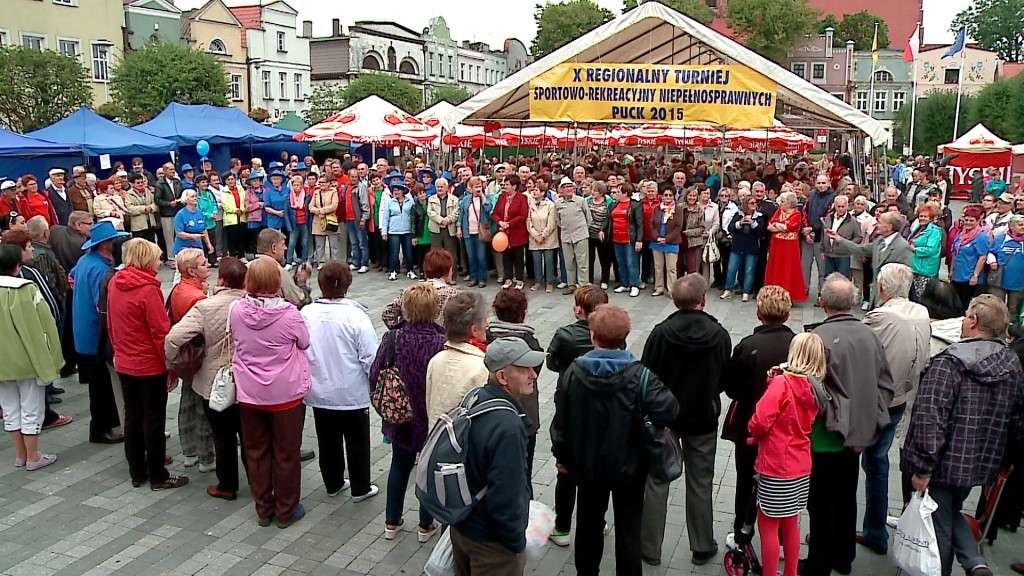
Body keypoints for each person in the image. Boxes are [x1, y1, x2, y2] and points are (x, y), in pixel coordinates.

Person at [551, 304, 679, 575]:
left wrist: (562, 457)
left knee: (588, 525)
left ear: (593, 335)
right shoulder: (641, 376)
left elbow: (560, 421)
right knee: (629, 529)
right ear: (625, 337)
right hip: (630, 466)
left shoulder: (573, 372)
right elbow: (670, 410)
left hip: (587, 466)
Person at [902, 294, 1024, 576]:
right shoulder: (1012, 364)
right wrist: (1004, 462)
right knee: (947, 512)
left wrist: (922, 467)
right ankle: (974, 562)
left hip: (943, 463)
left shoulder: (948, 363)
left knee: (940, 528)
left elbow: (930, 419)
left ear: (974, 320)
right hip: (980, 462)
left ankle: (963, 565)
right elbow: (1016, 420)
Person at [805, 273, 894, 576]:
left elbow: (809, 392)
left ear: (822, 302)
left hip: (824, 436)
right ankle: (843, 557)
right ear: (854, 302)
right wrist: (866, 429)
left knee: (820, 503)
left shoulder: (816, 339)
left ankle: (818, 563)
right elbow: (885, 386)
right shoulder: (871, 336)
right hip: (855, 438)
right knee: (846, 497)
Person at [641, 274, 731, 566]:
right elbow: (723, 378)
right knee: (701, 481)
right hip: (702, 417)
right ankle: (702, 545)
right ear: (703, 299)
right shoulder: (719, 335)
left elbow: (647, 375)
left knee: (657, 479)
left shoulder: (661, 333)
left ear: (674, 300)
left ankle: (650, 548)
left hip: (665, 418)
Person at [449, 337, 541, 576]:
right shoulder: (508, 426)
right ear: (502, 377)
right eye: (525, 369)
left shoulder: (474, 397)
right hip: (491, 544)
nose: (533, 375)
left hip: (463, 526)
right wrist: (515, 543)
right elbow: (506, 493)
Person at [230, 257, 311, 528]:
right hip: (285, 394)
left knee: (256, 451)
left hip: (249, 392)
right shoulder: (289, 314)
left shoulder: (236, 310)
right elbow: (304, 341)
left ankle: (263, 508)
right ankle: (286, 509)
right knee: (286, 453)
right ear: (277, 281)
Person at [856, 263, 931, 555]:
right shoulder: (921, 311)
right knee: (878, 462)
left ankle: (855, 532)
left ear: (882, 288)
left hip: (875, 402)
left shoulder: (880, 316)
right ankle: (875, 531)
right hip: (900, 397)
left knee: (859, 463)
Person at [107, 239, 188, 490]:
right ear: (146, 259)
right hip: (149, 365)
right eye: (157, 258)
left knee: (132, 417)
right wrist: (169, 366)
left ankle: (137, 471)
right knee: (153, 420)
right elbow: (160, 332)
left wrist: (118, 351)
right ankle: (158, 474)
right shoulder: (148, 289)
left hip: (125, 361)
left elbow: (111, 322)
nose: (159, 262)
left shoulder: (114, 283)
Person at [165, 257, 247, 500]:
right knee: (250, 436)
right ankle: (259, 481)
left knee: (222, 435)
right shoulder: (253, 305)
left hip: (213, 382)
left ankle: (227, 485)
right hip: (248, 381)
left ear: (221, 279)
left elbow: (173, 338)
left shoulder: (205, 307)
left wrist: (173, 362)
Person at [371, 282, 447, 541]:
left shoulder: (392, 338)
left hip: (400, 414)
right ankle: (425, 525)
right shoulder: (441, 341)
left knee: (399, 466)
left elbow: (375, 374)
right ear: (435, 309)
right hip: (431, 416)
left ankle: (392, 522)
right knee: (428, 470)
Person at [721, 285, 796, 543]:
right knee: (785, 484)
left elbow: (731, 388)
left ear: (758, 313)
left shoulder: (748, 346)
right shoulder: (798, 345)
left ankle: (741, 533)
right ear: (787, 314)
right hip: (789, 428)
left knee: (746, 480)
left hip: (750, 426)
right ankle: (783, 539)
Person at [303, 262, 380, 503]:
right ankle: (360, 487)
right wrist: (374, 383)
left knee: (327, 439)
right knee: (357, 441)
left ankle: (333, 483)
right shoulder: (356, 316)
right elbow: (370, 357)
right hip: (351, 391)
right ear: (348, 284)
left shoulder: (306, 314)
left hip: (319, 389)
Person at [749, 333, 825, 576]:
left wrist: (752, 429)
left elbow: (761, 420)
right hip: (800, 464)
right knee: (790, 522)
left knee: (768, 525)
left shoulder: (783, 383)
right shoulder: (815, 387)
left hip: (775, 465)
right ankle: (791, 572)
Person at [547, 285, 609, 545]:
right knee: (596, 468)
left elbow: (551, 362)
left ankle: (562, 528)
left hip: (570, 404)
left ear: (580, 310)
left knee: (566, 471)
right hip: (601, 406)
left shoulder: (565, 335)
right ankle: (598, 522)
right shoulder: (610, 333)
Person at [0, 243, 63, 471]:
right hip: (27, 359)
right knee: (31, 408)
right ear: (17, 266)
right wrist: (52, 359)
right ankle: (33, 456)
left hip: (2, 363)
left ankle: (20, 455)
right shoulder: (26, 290)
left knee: (9, 408)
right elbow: (45, 325)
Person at [71, 220, 128, 444]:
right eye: (114, 239)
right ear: (105, 244)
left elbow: (72, 277)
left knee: (99, 383)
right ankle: (101, 428)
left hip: (84, 332)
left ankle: (105, 424)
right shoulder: (100, 269)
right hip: (96, 336)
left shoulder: (85, 261)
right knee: (101, 386)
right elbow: (102, 305)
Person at [485, 288, 543, 486]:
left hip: (493, 413)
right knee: (524, 473)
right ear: (522, 314)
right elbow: (536, 371)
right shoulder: (530, 342)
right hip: (525, 414)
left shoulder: (486, 337)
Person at [167, 248, 216, 471]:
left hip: (186, 356)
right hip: (198, 355)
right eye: (203, 264)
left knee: (187, 402)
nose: (209, 265)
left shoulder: (180, 289)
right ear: (192, 271)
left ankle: (189, 452)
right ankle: (206, 457)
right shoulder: (197, 298)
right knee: (201, 406)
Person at [425, 292, 490, 424]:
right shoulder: (481, 367)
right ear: (474, 330)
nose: (487, 325)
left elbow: (430, 407)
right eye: (484, 320)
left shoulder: (436, 359)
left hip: (437, 434)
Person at [827, 212, 913, 308]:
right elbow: (860, 249)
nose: (876, 225)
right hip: (876, 296)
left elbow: (904, 280)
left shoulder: (903, 247)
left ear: (889, 227)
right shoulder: (879, 241)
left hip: (891, 302)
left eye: (879, 222)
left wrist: (885, 301)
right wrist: (839, 239)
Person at [381, 248, 458, 329]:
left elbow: (387, 313)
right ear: (447, 270)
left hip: (410, 335)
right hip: (440, 336)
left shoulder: (411, 292)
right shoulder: (452, 294)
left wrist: (400, 331)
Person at [764, 192, 808, 302]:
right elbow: (770, 225)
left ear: (789, 203)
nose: (780, 204)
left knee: (788, 268)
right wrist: (779, 225)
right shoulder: (779, 211)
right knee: (776, 268)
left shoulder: (796, 214)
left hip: (789, 247)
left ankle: (788, 295)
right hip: (777, 244)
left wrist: (777, 225)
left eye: (783, 202)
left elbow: (788, 226)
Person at [254, 228, 312, 310]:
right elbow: (299, 301)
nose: (285, 248)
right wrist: (301, 282)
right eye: (283, 244)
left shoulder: (246, 268)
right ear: (274, 248)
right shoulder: (279, 272)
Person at [722, 195, 766, 301]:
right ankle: (728, 290)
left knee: (749, 270)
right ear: (746, 204)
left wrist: (753, 223)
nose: (754, 205)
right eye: (752, 203)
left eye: (755, 203)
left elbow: (761, 232)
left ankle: (746, 292)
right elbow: (730, 228)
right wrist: (740, 223)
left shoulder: (759, 216)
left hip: (752, 248)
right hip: (737, 247)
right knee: (731, 269)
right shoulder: (738, 214)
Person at [949, 206, 990, 312]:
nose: (968, 223)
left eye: (972, 220)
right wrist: (951, 270)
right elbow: (955, 253)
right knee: (955, 303)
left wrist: (975, 276)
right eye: (966, 220)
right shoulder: (961, 235)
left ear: (978, 220)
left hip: (969, 277)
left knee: (965, 304)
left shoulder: (981, 237)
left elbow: (982, 257)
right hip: (957, 275)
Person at [493, 175, 530, 290]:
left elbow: (523, 215)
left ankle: (519, 280)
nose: (505, 186)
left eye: (507, 184)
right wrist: (500, 222)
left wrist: (509, 224)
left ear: (514, 186)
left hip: (517, 232)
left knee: (518, 257)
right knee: (506, 257)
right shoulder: (501, 197)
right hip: (503, 233)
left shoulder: (522, 198)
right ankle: (508, 278)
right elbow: (495, 213)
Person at [456, 176, 492, 288]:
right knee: (471, 257)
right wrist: (459, 227)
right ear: (470, 188)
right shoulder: (465, 200)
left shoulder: (485, 198)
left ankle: (482, 278)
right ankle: (473, 277)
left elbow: (488, 209)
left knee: (481, 256)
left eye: (479, 186)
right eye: (475, 187)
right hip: (468, 231)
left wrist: (483, 197)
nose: (478, 189)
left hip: (480, 232)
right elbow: (461, 214)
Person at [987, 213, 1024, 319]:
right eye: (1020, 225)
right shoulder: (1001, 239)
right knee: (997, 307)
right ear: (1011, 226)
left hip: (1018, 281)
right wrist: (992, 261)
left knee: (1014, 309)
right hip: (1000, 280)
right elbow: (991, 252)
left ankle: (1012, 326)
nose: (1023, 227)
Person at [649, 188, 684, 297]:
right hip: (657, 242)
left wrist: (666, 239)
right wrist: (657, 237)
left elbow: (679, 227)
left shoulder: (678, 209)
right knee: (658, 267)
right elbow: (651, 224)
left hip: (671, 243)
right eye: (665, 195)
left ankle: (672, 290)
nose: (668, 197)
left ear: (673, 196)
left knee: (671, 268)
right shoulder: (657, 209)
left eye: (670, 195)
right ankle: (659, 288)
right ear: (662, 196)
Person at [820, 195, 862, 282]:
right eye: (838, 206)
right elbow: (823, 234)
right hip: (829, 255)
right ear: (835, 206)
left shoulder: (852, 221)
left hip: (843, 256)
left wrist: (848, 245)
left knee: (843, 280)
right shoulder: (829, 217)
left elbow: (858, 237)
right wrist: (822, 249)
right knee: (829, 280)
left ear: (847, 206)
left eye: (843, 206)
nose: (840, 209)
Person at [907, 202, 944, 300]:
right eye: (921, 216)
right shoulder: (919, 228)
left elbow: (930, 249)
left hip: (925, 270)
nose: (922, 218)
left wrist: (915, 249)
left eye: (925, 216)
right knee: (914, 295)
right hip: (915, 267)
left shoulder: (934, 231)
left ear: (931, 218)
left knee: (922, 297)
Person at [527, 177, 558, 292]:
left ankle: (549, 282)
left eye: (537, 190)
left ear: (543, 192)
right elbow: (528, 221)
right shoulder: (530, 205)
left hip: (548, 238)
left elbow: (551, 223)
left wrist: (543, 235)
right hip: (534, 238)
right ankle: (538, 281)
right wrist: (535, 235)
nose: (534, 192)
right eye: (533, 190)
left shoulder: (550, 205)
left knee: (549, 261)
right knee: (536, 261)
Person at [381, 183, 416, 281]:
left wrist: (414, 232)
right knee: (394, 253)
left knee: (408, 252)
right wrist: (384, 232)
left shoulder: (410, 201)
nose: (396, 192)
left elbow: (413, 216)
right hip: (393, 231)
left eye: (398, 190)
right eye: (394, 190)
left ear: (402, 191)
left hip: (407, 231)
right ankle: (393, 271)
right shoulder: (390, 202)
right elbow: (385, 218)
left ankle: (410, 270)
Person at [309, 174, 342, 269]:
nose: (322, 184)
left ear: (329, 183)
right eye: (320, 182)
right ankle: (321, 262)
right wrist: (317, 211)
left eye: (324, 182)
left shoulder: (333, 192)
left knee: (334, 245)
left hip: (331, 221)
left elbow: (334, 205)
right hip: (318, 221)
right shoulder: (316, 193)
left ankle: (335, 263)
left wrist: (322, 211)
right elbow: (310, 206)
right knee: (319, 245)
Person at [585, 180, 614, 289]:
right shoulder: (587, 201)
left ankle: (604, 280)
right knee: (589, 259)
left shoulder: (609, 202)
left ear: (601, 192)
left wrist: (602, 230)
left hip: (602, 234)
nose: (592, 192)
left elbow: (609, 218)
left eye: (595, 191)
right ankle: (589, 280)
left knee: (604, 259)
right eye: (592, 190)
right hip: (589, 234)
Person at [173, 189, 214, 262]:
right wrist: (193, 236)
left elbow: (204, 230)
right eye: (192, 196)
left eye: (196, 196)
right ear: (186, 199)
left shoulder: (200, 212)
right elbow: (179, 233)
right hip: (183, 249)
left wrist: (208, 244)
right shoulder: (180, 215)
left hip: (198, 248)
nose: (195, 198)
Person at [427, 177, 459, 262]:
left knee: (451, 253)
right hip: (435, 230)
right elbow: (430, 212)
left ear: (446, 187)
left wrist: (448, 220)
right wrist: (441, 220)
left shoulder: (455, 199)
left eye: (441, 187)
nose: (439, 189)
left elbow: (456, 213)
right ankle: (436, 270)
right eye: (438, 187)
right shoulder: (431, 199)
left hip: (449, 229)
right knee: (436, 253)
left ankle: (451, 270)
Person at [284, 174, 312, 269]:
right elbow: (286, 213)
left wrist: (310, 224)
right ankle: (289, 261)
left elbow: (309, 211)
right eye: (294, 185)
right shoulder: (288, 197)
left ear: (302, 185)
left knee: (304, 243)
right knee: (291, 243)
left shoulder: (307, 196)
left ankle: (304, 261)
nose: (296, 187)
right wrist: (288, 226)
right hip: (293, 224)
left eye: (298, 185)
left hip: (304, 223)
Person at [220, 172, 247, 260]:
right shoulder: (223, 191)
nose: (231, 181)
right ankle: (232, 257)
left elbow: (245, 201)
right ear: (225, 181)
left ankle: (242, 256)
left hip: (242, 217)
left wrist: (242, 210)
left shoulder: (240, 189)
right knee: (231, 240)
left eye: (232, 179)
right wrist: (235, 210)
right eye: (228, 180)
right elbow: (225, 205)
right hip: (230, 219)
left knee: (242, 238)